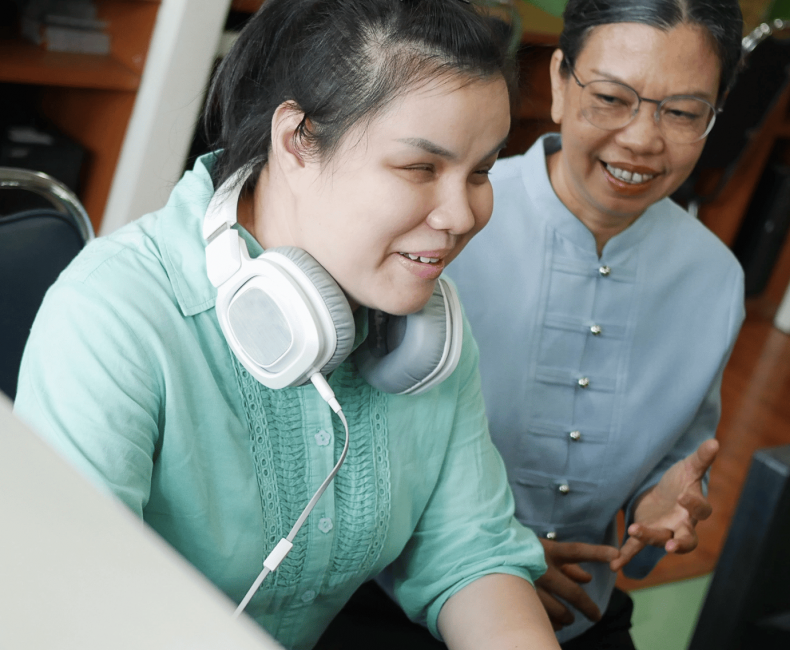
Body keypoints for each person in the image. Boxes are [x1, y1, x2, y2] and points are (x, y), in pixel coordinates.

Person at [12, 1, 561, 649]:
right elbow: (67, 614)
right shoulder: (114, 315)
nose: (461, 215)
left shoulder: (423, 326)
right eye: (420, 168)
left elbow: (469, 555)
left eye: (481, 172)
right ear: (298, 138)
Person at [320, 0, 746, 647]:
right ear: (556, 81)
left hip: (578, 612)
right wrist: (486, 563)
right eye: (610, 97)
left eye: (682, 111)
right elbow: (335, 442)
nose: (639, 138)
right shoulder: (442, 221)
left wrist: (666, 502)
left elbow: (682, 453)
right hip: (387, 596)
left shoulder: (716, 279)